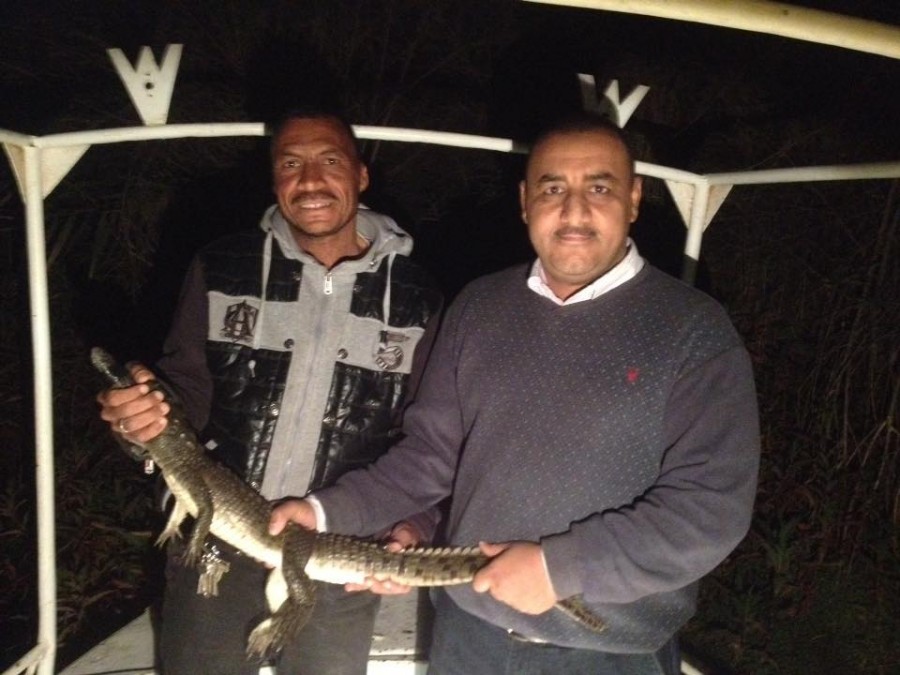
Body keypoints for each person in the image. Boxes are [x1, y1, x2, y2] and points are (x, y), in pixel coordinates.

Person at [269, 112, 761, 675]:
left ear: (633, 199)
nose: (573, 210)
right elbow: (430, 457)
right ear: (526, 202)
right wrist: (327, 512)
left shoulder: (692, 329)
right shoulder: (479, 307)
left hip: (607, 653)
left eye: (599, 188)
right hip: (466, 638)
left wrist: (560, 567)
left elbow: (711, 508)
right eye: (553, 189)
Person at [97, 107, 443, 675]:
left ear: (360, 175)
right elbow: (184, 394)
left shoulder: (421, 297)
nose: (310, 181)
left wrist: (415, 525)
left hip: (340, 550)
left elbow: (427, 437)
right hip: (215, 541)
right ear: (274, 177)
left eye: (329, 161)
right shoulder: (221, 266)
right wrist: (138, 420)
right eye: (290, 163)